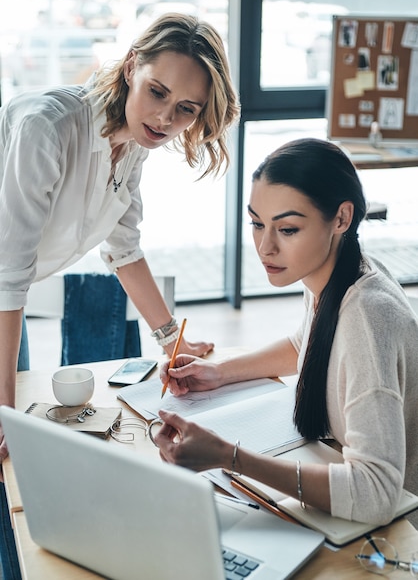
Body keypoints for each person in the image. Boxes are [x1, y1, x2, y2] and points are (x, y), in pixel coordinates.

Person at [0, 12, 240, 579]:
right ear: (132, 66)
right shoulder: (47, 127)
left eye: (186, 109)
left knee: (17, 460)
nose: (165, 117)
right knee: (11, 443)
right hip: (5, 287)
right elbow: (8, 272)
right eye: (158, 92)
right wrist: (4, 408)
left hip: (8, 293)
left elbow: (123, 248)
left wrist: (169, 340)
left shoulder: (132, 144)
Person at [156, 137, 418, 531]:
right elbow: (305, 343)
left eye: (288, 229)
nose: (265, 246)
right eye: (257, 224)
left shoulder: (367, 318)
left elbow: (377, 492)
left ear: (341, 219)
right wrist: (220, 371)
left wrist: (230, 457)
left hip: (393, 535)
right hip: (339, 483)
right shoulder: (333, 269)